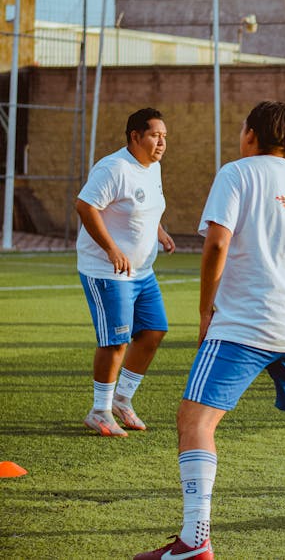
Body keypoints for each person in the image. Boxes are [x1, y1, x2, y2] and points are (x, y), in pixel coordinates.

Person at [136, 101, 285, 560]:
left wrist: (206, 310)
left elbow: (216, 243)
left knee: (195, 421)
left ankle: (195, 540)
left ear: (252, 135)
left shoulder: (236, 173)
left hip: (242, 323)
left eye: (243, 127)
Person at [75, 107, 175, 437]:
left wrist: (159, 232)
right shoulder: (114, 168)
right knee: (116, 341)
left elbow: (145, 208)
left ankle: (121, 400)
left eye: (164, 136)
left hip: (142, 272)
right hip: (107, 271)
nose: (161, 142)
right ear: (135, 136)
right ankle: (99, 411)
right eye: (155, 135)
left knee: (154, 331)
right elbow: (85, 206)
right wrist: (111, 249)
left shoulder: (154, 167)